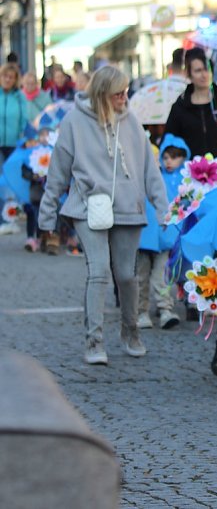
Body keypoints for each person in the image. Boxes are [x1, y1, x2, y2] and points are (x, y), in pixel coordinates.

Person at [38, 65, 168, 365]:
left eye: (126, 92)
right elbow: (57, 171)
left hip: (127, 206)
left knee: (126, 274)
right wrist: (46, 218)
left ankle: (130, 330)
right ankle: (94, 340)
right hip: (88, 205)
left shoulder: (132, 122)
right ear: (101, 95)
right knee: (98, 271)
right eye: (118, 94)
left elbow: (150, 171)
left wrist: (163, 210)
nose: (124, 98)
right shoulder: (74, 122)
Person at [135, 135, 189, 330]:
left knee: (161, 276)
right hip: (142, 236)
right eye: (164, 157)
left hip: (165, 237)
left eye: (173, 157)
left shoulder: (178, 180)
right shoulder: (142, 177)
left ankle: (165, 309)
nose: (168, 162)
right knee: (140, 277)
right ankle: (140, 311)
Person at [0, 63, 27, 162]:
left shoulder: (20, 97)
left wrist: (21, 138)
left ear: (15, 80)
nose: (7, 79)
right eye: (5, 76)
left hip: (14, 146)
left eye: (11, 77)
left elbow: (24, 120)